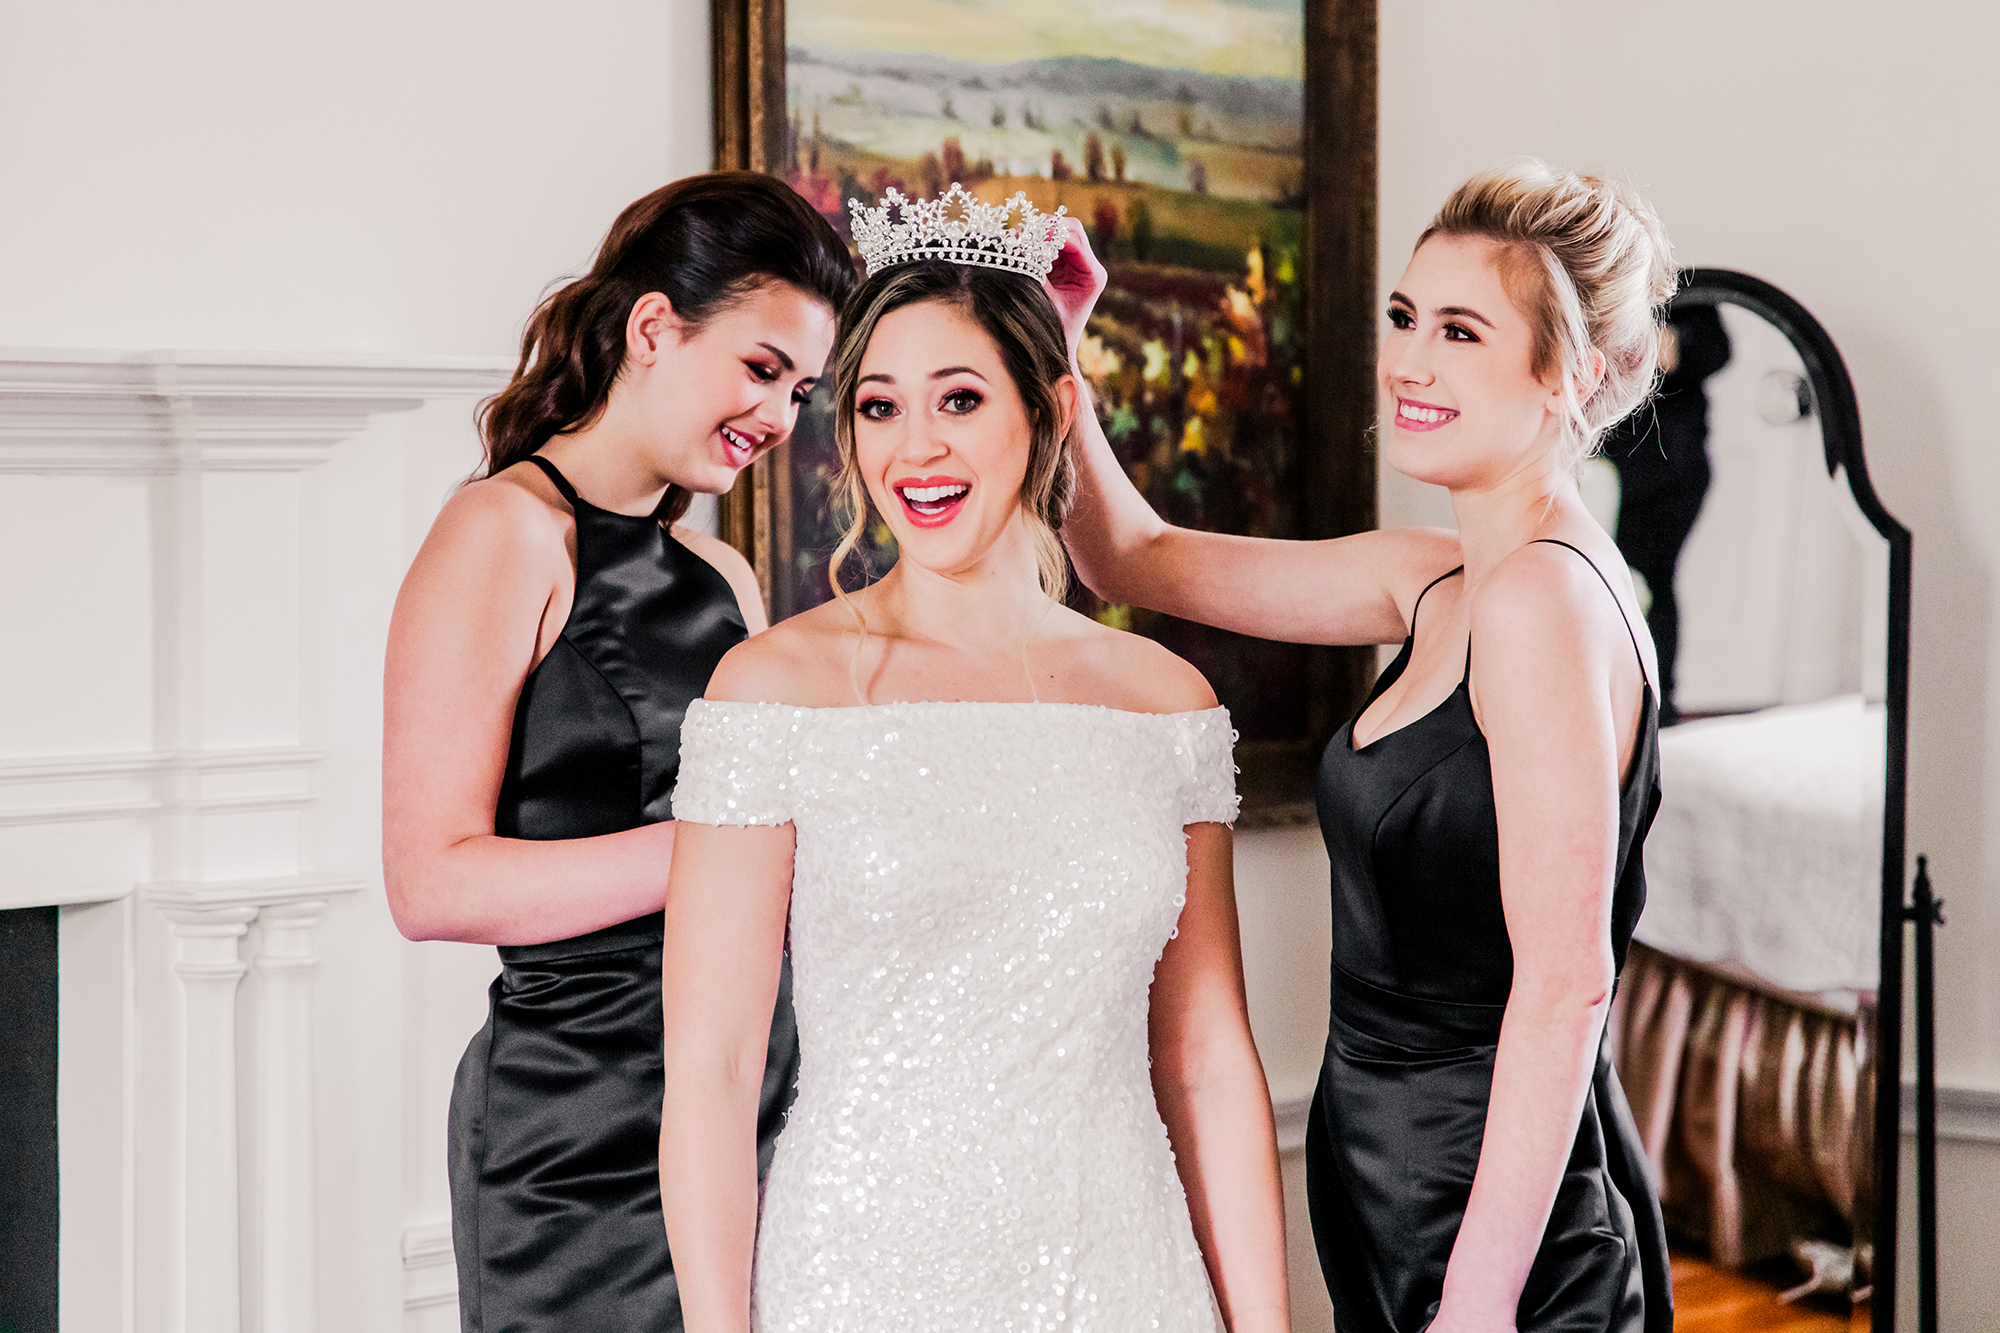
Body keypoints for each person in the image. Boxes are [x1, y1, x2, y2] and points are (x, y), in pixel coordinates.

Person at [1051, 160, 1676, 1333]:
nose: (1407, 360)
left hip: (1495, 1221)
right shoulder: (1436, 575)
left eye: (1459, 331)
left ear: (1570, 374)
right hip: (1387, 1180)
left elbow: (1564, 982)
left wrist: (1478, 1305)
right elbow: (1129, 558)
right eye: (1402, 317)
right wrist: (1060, 345)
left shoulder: (1540, 600)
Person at [656, 191, 1290, 1333]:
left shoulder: (1164, 705)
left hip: (1123, 1273)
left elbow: (1204, 1056)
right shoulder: (774, 690)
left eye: (959, 398)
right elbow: (712, 1065)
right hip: (860, 1278)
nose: (917, 448)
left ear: (1050, 412)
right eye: (878, 407)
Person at [382, 172, 853, 1333]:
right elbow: (429, 882)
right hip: (575, 1136)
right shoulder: (500, 533)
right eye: (761, 368)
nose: (780, 416)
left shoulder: (723, 577)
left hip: (749, 1104)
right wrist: (724, 845)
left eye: (801, 389)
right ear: (652, 327)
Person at [1600, 301, 1732, 723]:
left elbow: (1708, 350)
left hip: (1667, 468)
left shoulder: (1685, 294)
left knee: (1647, 580)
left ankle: (1654, 705)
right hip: (1597, 463)